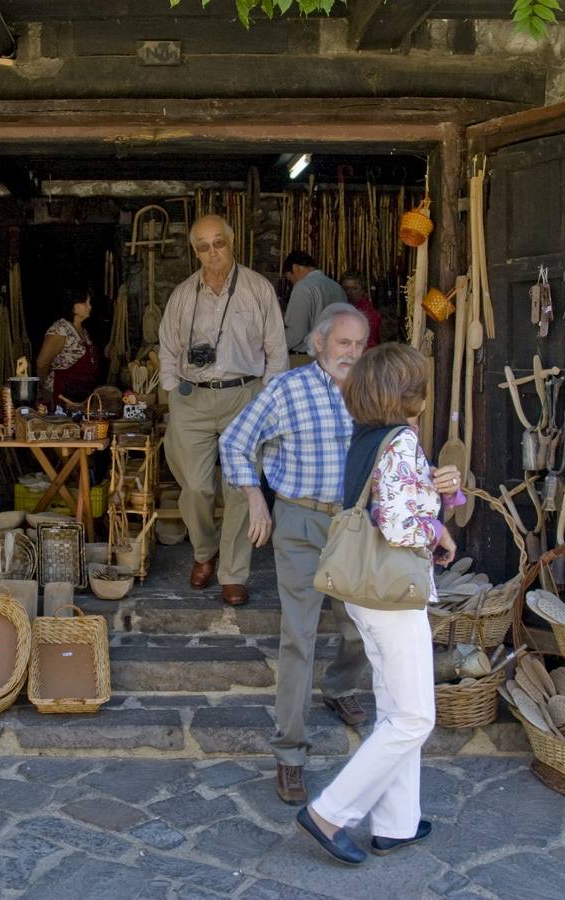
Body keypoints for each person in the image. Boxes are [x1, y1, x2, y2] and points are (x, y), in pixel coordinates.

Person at [296, 342, 463, 866]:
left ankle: (396, 823)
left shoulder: (368, 438)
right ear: (406, 394)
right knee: (414, 717)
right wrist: (436, 522)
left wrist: (440, 500)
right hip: (392, 597)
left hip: (367, 595)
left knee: (395, 708)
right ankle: (329, 813)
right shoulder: (402, 443)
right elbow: (397, 521)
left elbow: (392, 504)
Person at [220, 303, 374, 806]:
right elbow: (235, 442)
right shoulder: (288, 389)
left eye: (358, 344)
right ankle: (290, 754)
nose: (351, 352)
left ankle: (341, 684)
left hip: (354, 522)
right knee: (299, 637)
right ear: (321, 342)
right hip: (300, 523)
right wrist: (255, 497)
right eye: (343, 343)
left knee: (357, 627)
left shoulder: (371, 388)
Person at [160, 214, 287, 607]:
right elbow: (166, 346)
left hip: (243, 396)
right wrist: (171, 393)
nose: (212, 252)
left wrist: (266, 402)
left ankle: (233, 573)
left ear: (232, 242)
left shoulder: (257, 289)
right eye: (203, 246)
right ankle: (205, 552)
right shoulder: (183, 294)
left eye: (219, 243)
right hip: (192, 398)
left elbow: (276, 352)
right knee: (195, 486)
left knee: (239, 489)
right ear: (194, 250)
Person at [34, 285, 99, 404]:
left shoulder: (84, 331)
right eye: (85, 302)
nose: (89, 306)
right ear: (73, 305)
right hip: (61, 395)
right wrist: (45, 388)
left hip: (81, 396)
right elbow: (41, 363)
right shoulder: (60, 330)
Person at [282, 251, 347, 354]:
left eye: (291, 280)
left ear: (295, 268)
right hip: (334, 354)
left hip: (308, 356)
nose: (293, 284)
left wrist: (274, 348)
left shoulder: (302, 287)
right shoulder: (337, 287)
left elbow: (296, 333)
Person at [340, 272, 381, 347]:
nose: (349, 292)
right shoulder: (340, 309)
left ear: (363, 290)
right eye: (345, 289)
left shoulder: (370, 313)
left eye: (354, 288)